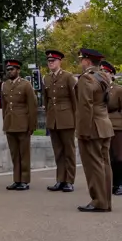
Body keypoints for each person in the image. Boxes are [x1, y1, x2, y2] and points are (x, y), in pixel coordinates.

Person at [75, 48, 114, 212]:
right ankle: (106, 201)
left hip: (92, 127)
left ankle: (98, 201)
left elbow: (85, 106)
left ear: (87, 61)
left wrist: (83, 131)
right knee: (105, 164)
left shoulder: (86, 78)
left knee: (94, 165)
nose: (80, 62)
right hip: (104, 124)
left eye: (81, 59)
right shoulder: (104, 76)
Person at [42, 49, 78, 193]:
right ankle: (60, 179)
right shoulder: (46, 78)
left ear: (59, 62)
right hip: (53, 119)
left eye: (53, 61)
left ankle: (69, 180)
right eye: (49, 61)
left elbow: (75, 100)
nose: (51, 63)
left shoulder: (68, 77)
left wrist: (76, 118)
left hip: (67, 118)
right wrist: (48, 117)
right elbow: (46, 100)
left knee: (69, 151)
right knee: (58, 152)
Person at [1, 58, 37, 191]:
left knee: (24, 154)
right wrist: (5, 122)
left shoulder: (26, 85)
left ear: (18, 70)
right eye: (8, 70)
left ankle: (25, 180)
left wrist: (31, 125)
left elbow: (32, 106)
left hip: (23, 123)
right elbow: (4, 106)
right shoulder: (5, 85)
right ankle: (17, 179)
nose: (9, 71)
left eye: (12, 69)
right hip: (10, 123)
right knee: (15, 154)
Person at [102, 61, 122, 196]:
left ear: (111, 74)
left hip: (117, 126)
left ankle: (121, 184)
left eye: (106, 72)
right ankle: (109, 184)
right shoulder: (97, 89)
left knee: (118, 155)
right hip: (101, 125)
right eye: (101, 71)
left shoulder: (118, 90)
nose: (103, 74)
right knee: (106, 157)